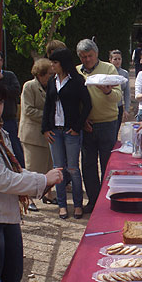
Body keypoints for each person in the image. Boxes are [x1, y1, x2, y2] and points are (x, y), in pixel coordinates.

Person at [0, 79, 64, 282]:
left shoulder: (0, 134)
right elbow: (2, 179)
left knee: (11, 279)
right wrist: (42, 180)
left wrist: (37, 179)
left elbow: (14, 171)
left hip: (7, 216)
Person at [42, 48, 93, 220]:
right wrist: (45, 129)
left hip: (71, 131)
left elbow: (87, 105)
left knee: (73, 169)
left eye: (55, 62)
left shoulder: (77, 80)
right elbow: (47, 106)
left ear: (62, 63)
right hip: (54, 130)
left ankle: (78, 204)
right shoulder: (52, 81)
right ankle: (62, 205)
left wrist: (78, 127)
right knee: (59, 169)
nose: (52, 65)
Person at [75, 38, 122, 213]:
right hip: (87, 125)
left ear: (97, 54)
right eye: (83, 56)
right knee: (87, 165)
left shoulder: (109, 69)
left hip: (108, 123)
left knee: (107, 164)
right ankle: (94, 202)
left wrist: (108, 91)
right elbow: (74, 101)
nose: (87, 59)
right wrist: (82, 120)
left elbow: (118, 97)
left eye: (90, 55)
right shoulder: (76, 72)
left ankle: (106, 200)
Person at [19, 58, 56, 212]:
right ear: (40, 74)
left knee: (46, 166)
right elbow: (28, 110)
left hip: (47, 135)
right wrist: (50, 115)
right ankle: (28, 199)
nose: (51, 77)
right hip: (32, 135)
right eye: (49, 74)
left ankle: (46, 194)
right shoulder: (29, 86)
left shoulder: (50, 87)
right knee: (32, 168)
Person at [0, 49, 25, 168]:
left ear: (2, 61)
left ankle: (21, 172)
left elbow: (16, 91)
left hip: (8, 120)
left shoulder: (9, 75)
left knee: (15, 150)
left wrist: (1, 82)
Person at [109, 49, 131, 132]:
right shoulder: (107, 73)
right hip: (108, 106)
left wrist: (127, 109)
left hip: (119, 105)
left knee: (116, 129)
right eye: (115, 59)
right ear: (110, 60)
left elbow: (127, 92)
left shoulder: (124, 73)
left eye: (119, 59)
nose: (117, 61)